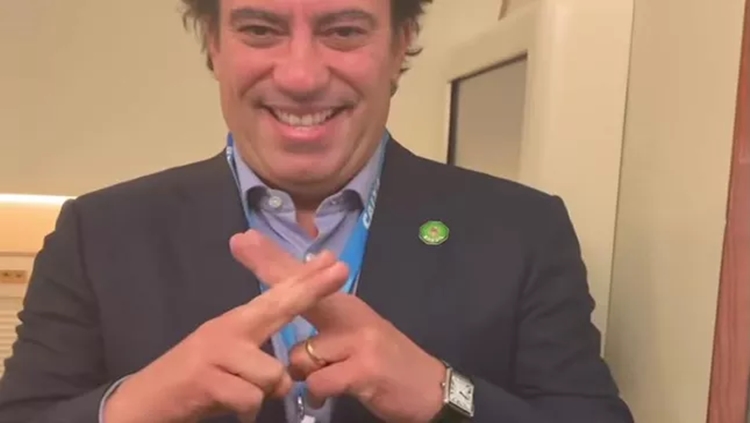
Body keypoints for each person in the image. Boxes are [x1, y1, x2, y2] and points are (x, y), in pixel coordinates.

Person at [0, 0, 635, 422]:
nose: (301, 76)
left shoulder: (522, 231)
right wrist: (134, 405)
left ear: (401, 44)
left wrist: (445, 394)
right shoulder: (98, 233)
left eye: (344, 30)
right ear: (214, 45)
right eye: (259, 30)